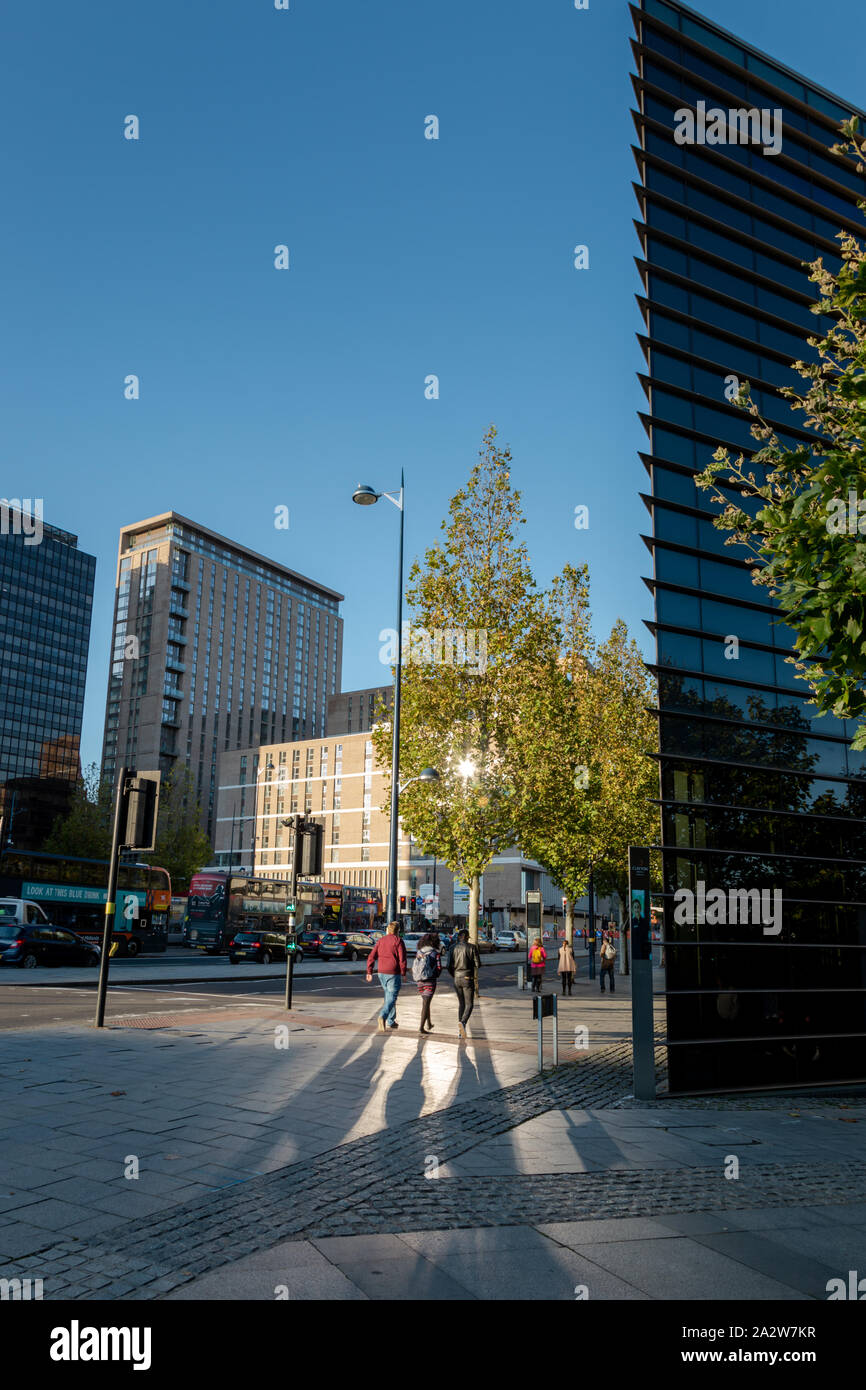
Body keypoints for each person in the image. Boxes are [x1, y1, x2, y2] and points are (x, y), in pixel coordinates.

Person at [366, 921, 407, 1032]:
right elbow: (402, 959)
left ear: (388, 930)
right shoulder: (398, 941)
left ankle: (391, 1020)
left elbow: (371, 956)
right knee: (392, 997)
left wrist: (369, 971)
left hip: (381, 972)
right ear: (398, 931)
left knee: (388, 995)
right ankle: (383, 1016)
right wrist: (403, 973)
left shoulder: (381, 940)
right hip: (393, 972)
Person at [447, 929, 481, 1041]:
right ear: (466, 937)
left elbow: (448, 965)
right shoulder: (472, 947)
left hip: (456, 977)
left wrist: (454, 975)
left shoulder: (452, 948)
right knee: (469, 1004)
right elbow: (478, 964)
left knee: (461, 1004)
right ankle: (463, 1022)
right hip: (467, 977)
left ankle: (461, 1031)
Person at [412, 931, 442, 1034]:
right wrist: (436, 974)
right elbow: (439, 968)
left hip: (419, 981)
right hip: (430, 981)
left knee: (426, 1002)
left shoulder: (419, 952)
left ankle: (429, 1023)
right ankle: (421, 1027)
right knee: (425, 1003)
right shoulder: (435, 953)